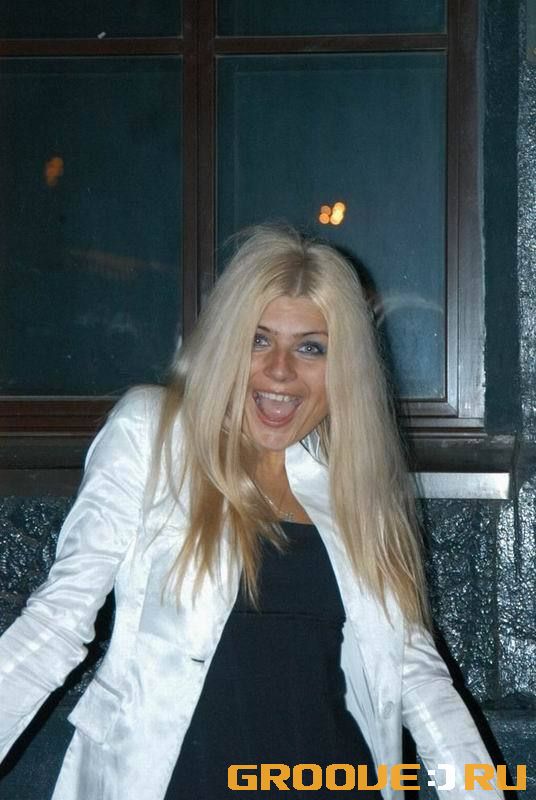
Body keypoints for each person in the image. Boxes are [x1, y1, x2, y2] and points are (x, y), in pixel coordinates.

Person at [0, 225, 503, 800]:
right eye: (259, 340)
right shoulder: (153, 434)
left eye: (311, 347)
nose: (280, 370)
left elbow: (416, 676)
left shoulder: (353, 483)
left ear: (343, 368)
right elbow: (56, 622)